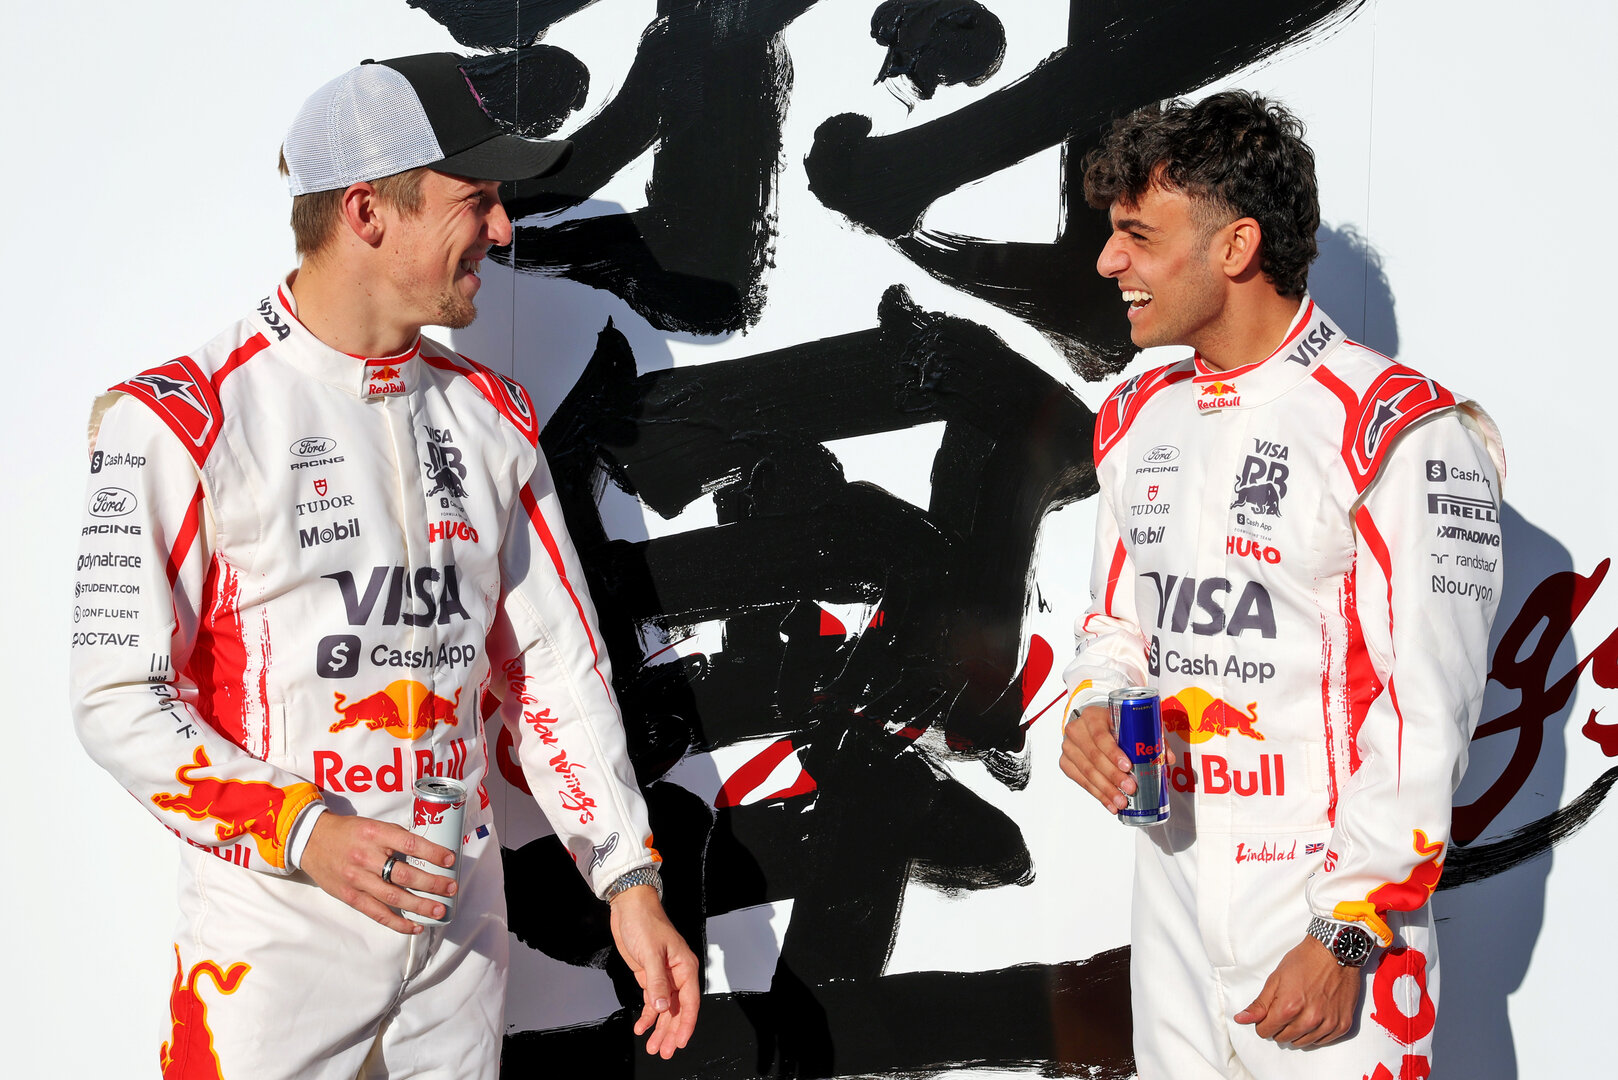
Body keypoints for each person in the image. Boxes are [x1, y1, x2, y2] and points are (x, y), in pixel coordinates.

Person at [69, 52, 698, 1079]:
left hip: (457, 954)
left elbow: (549, 667)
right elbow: (115, 697)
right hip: (270, 952)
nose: (502, 232)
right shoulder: (181, 420)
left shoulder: (491, 417)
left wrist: (627, 878)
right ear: (367, 212)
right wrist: (303, 830)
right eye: (478, 200)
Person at [1058, 91, 1504, 1079]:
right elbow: (1114, 628)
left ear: (1235, 246)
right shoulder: (1135, 414)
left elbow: (1428, 714)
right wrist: (1096, 708)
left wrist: (1349, 928)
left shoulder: (1399, 430)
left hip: (1326, 939)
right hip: (1169, 924)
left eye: (1136, 234)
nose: (1108, 263)